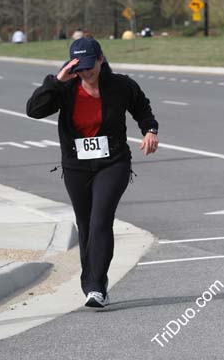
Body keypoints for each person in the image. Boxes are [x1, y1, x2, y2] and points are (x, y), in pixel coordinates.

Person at [26, 37, 159, 308]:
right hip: (76, 166)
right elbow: (34, 110)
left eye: (89, 65)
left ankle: (96, 286)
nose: (85, 71)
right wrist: (56, 80)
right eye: (79, 67)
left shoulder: (121, 85)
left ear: (100, 59)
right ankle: (92, 283)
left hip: (114, 163)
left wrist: (150, 130)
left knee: (100, 220)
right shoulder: (66, 88)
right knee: (85, 224)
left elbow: (142, 108)